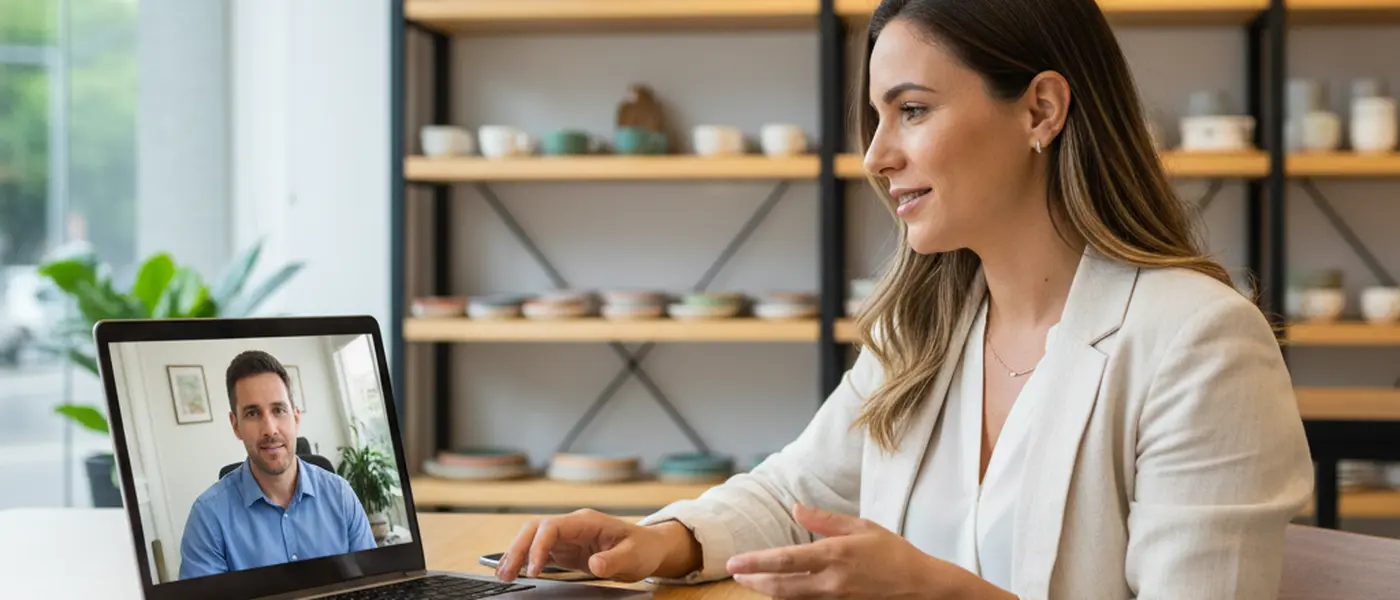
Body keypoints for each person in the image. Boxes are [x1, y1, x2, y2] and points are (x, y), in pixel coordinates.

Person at [494, 0, 1315, 597]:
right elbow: (795, 496)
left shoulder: (1199, 343)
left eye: (912, 111)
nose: (878, 155)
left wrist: (937, 593)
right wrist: (661, 541)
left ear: (1041, 109)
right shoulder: (926, 332)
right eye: (876, 119)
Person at [179, 350, 377, 580]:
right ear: (235, 426)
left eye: (278, 410)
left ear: (295, 418)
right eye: (253, 413)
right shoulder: (207, 517)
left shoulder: (340, 495)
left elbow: (372, 584)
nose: (270, 429)